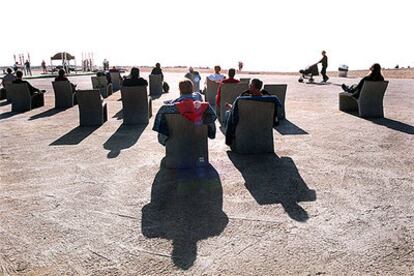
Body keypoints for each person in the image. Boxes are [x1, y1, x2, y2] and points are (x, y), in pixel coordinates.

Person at [153, 79, 216, 146]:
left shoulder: (171, 108)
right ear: (192, 88)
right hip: (198, 136)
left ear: (180, 90)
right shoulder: (203, 105)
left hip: (177, 137)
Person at [224, 78, 281, 146]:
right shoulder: (270, 100)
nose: (249, 86)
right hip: (262, 123)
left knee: (228, 113)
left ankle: (231, 139)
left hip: (246, 123)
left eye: (251, 85)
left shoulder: (242, 100)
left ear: (255, 88)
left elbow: (235, 112)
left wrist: (230, 106)